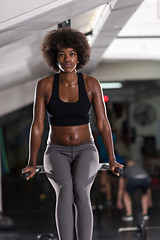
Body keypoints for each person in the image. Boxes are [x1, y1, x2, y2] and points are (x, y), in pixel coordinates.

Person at [22, 27, 124, 240]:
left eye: (71, 54)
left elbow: (103, 123)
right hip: (55, 150)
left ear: (79, 55)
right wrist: (32, 161)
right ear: (54, 57)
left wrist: (112, 159)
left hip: (85, 148)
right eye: (61, 54)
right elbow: (38, 125)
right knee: (65, 190)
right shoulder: (45, 85)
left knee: (80, 189)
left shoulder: (91, 84)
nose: (67, 59)